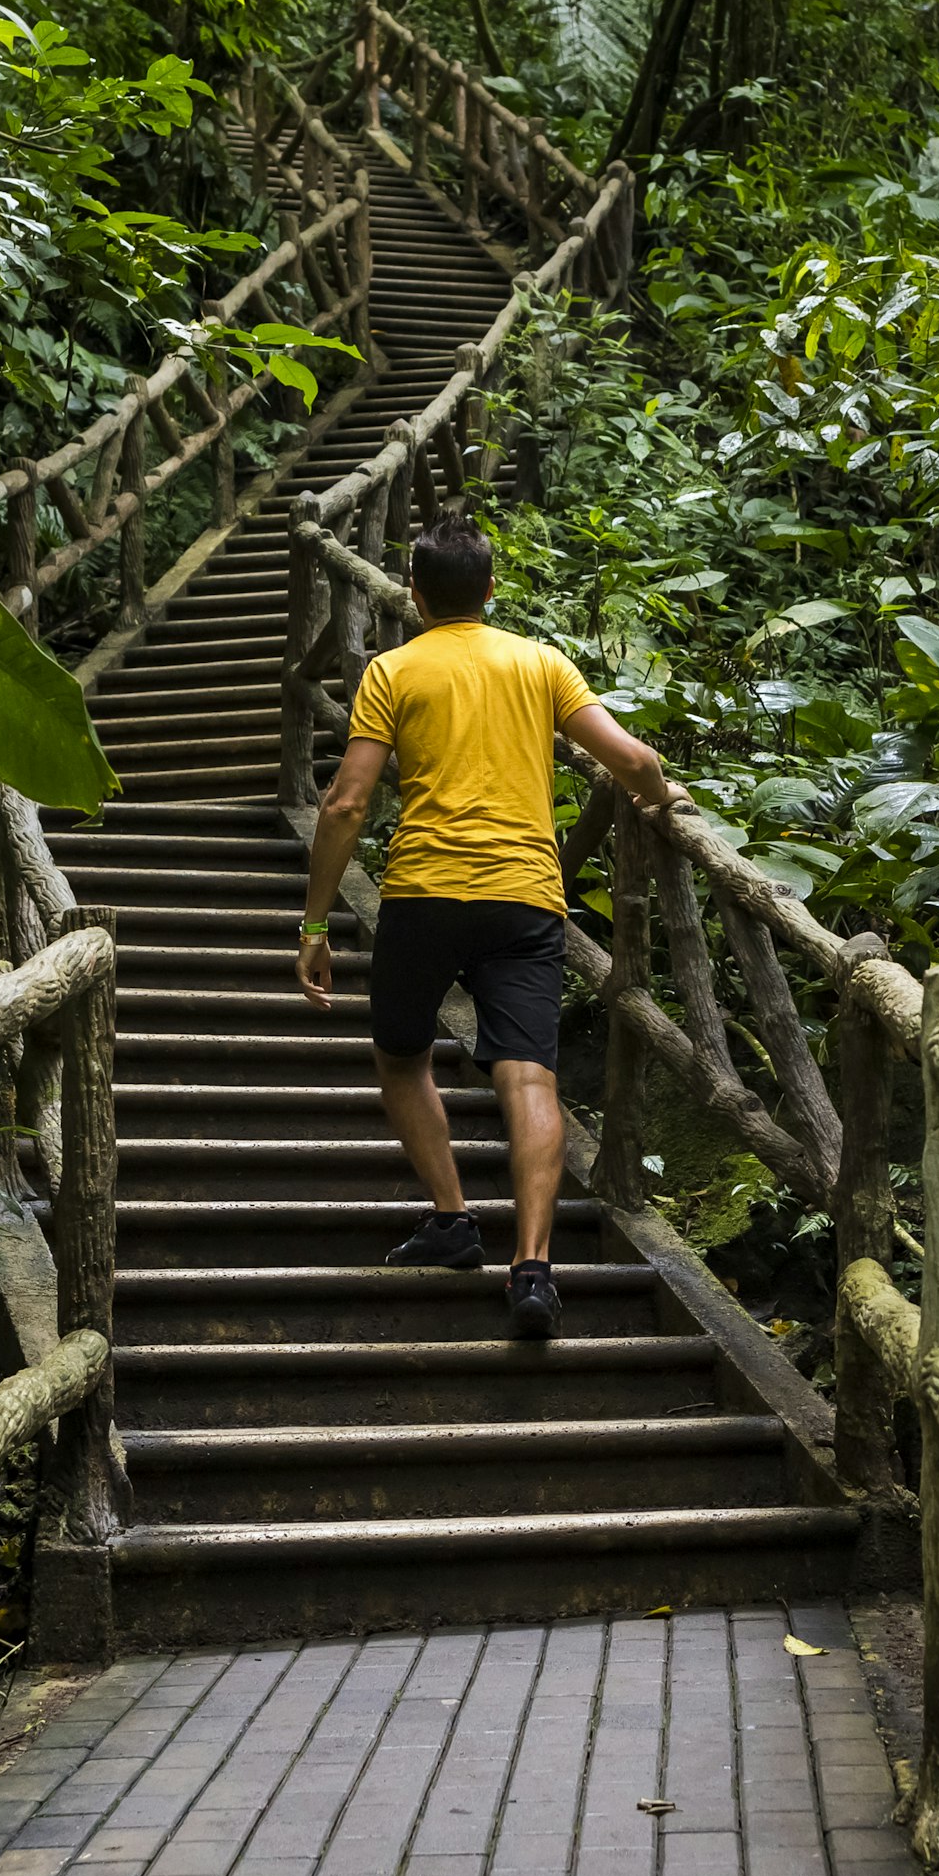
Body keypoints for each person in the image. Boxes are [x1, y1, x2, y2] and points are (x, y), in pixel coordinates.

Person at [297, 513, 681, 1337]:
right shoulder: (540, 663)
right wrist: (666, 802)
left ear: (414, 592)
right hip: (525, 899)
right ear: (492, 589)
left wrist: (316, 924)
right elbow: (636, 762)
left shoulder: (392, 671)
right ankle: (534, 1267)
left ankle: (452, 1217)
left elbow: (349, 800)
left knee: (401, 1058)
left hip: (424, 894)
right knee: (529, 1076)